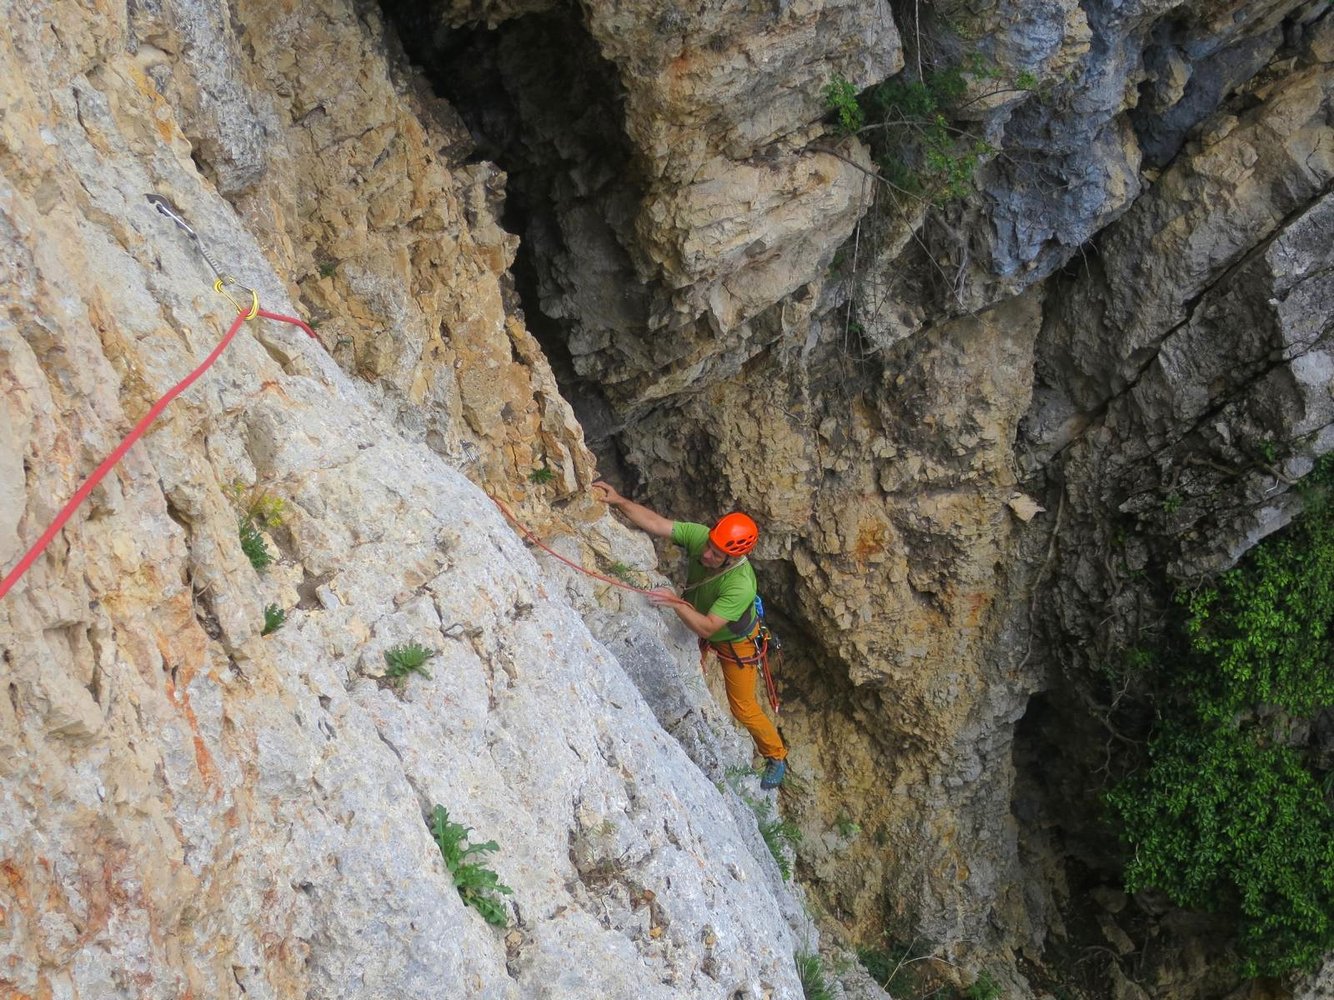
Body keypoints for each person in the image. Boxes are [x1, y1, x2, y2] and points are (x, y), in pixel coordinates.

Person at [593, 480, 788, 789]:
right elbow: (657, 523)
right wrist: (618, 500)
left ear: (732, 558)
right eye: (709, 545)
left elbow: (708, 627)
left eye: (716, 554)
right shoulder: (705, 539)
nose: (706, 554)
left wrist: (675, 603)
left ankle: (776, 755)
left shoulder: (739, 585)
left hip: (736, 643)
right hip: (704, 620)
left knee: (743, 707)